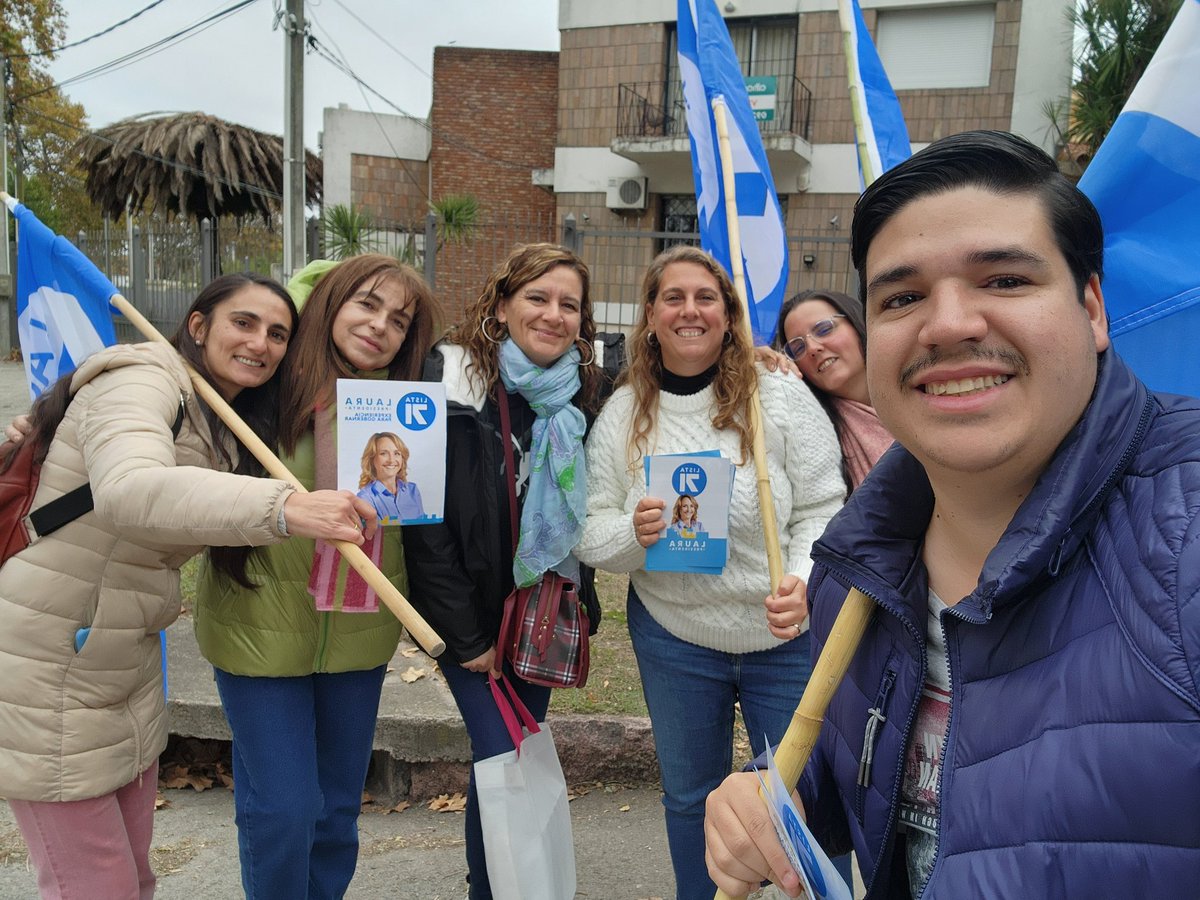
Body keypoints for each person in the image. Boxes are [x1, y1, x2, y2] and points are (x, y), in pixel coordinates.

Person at [704, 130, 1200, 898]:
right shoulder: (856, 571)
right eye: (902, 298)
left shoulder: (1186, 533)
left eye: (1003, 280)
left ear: (1093, 309)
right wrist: (778, 793)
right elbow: (860, 767)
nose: (947, 325)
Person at [0, 274, 377, 900]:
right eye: (244, 322)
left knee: (136, 879)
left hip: (124, 661)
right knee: (97, 887)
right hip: (44, 662)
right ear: (197, 325)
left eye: (278, 333)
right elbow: (131, 490)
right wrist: (288, 507)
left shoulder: (225, 418)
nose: (261, 343)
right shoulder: (143, 377)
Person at [576, 245, 844, 899]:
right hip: (676, 639)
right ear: (650, 315)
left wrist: (805, 581)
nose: (690, 310)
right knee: (692, 799)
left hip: (783, 637)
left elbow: (825, 506)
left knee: (799, 802)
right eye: (674, 297)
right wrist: (632, 537)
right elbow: (588, 531)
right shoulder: (623, 415)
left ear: (727, 316)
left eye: (706, 297)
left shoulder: (777, 396)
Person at [192, 255, 437, 899]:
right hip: (258, 625)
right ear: (330, 302)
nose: (380, 325)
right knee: (283, 811)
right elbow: (165, 416)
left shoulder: (413, 407)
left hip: (360, 631)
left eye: (399, 319)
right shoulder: (264, 376)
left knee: (334, 814)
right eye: (366, 304)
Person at [402, 243, 602, 899]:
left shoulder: (581, 391)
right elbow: (424, 525)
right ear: (503, 303)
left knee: (504, 768)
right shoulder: (450, 378)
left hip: (540, 616)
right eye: (537, 298)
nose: (552, 314)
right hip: (472, 618)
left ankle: (494, 887)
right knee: (503, 756)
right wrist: (465, 636)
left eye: (568, 304)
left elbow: (581, 510)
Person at [774, 289, 894, 491]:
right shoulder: (809, 432)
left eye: (823, 329)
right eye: (797, 348)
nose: (812, 348)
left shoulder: (923, 392)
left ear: (857, 322)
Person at [356, 430, 426, 522]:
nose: (391, 460)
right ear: (372, 459)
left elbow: (422, 524)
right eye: (383, 453)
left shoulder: (412, 490)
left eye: (397, 453)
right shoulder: (365, 497)